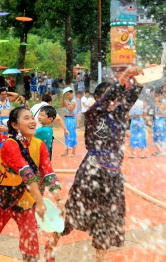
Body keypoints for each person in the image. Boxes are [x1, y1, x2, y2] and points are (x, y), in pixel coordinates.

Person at [48, 66, 146, 262]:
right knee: (72, 212)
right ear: (100, 99)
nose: (114, 102)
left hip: (112, 177)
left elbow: (129, 100)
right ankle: (50, 249)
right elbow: (108, 100)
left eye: (115, 99)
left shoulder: (118, 115)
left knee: (107, 219)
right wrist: (124, 77)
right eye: (110, 98)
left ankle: (100, 259)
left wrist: (139, 82)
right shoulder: (93, 114)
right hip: (91, 173)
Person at [0, 107, 65, 262]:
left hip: (25, 200)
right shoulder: (9, 145)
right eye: (26, 118)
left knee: (31, 247)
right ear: (15, 124)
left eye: (32, 117)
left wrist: (59, 199)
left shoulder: (40, 145)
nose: (32, 121)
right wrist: (39, 202)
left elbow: (48, 173)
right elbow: (26, 173)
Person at [60, 87, 77, 157]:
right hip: (67, 119)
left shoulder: (73, 101)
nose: (68, 96)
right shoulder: (68, 101)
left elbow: (70, 110)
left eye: (69, 94)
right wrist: (63, 97)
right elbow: (61, 105)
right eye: (67, 95)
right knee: (66, 135)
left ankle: (73, 153)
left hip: (71, 119)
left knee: (72, 135)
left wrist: (66, 104)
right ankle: (66, 151)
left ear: (72, 93)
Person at [152, 90, 166, 156]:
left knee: (161, 135)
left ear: (161, 95)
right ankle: (158, 150)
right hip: (156, 119)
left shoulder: (164, 102)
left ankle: (162, 151)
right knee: (155, 135)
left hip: (161, 120)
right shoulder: (156, 103)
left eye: (158, 96)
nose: (157, 97)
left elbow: (161, 110)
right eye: (156, 96)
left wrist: (157, 103)